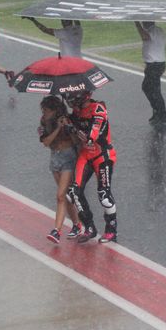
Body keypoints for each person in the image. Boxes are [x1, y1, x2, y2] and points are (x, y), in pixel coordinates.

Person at [65, 91, 118, 244]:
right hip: (85, 156)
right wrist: (66, 123)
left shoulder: (98, 110)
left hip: (103, 155)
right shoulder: (76, 112)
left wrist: (74, 130)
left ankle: (111, 229)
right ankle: (90, 228)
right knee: (75, 192)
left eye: (72, 98)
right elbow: (75, 131)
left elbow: (90, 137)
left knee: (104, 195)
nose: (70, 101)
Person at [38, 95, 82, 244]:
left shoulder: (68, 119)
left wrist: (68, 128)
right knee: (65, 197)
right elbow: (46, 142)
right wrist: (57, 128)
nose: (43, 113)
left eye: (46, 110)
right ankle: (76, 224)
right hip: (54, 158)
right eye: (43, 110)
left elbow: (77, 141)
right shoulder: (44, 122)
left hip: (68, 158)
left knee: (60, 195)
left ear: (55, 110)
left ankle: (56, 230)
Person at [135, 21, 166, 126]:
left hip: (154, 65)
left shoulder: (152, 31)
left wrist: (137, 24)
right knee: (148, 88)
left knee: (154, 91)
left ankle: (162, 116)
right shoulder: (158, 30)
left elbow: (145, 37)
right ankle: (157, 111)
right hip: (156, 64)